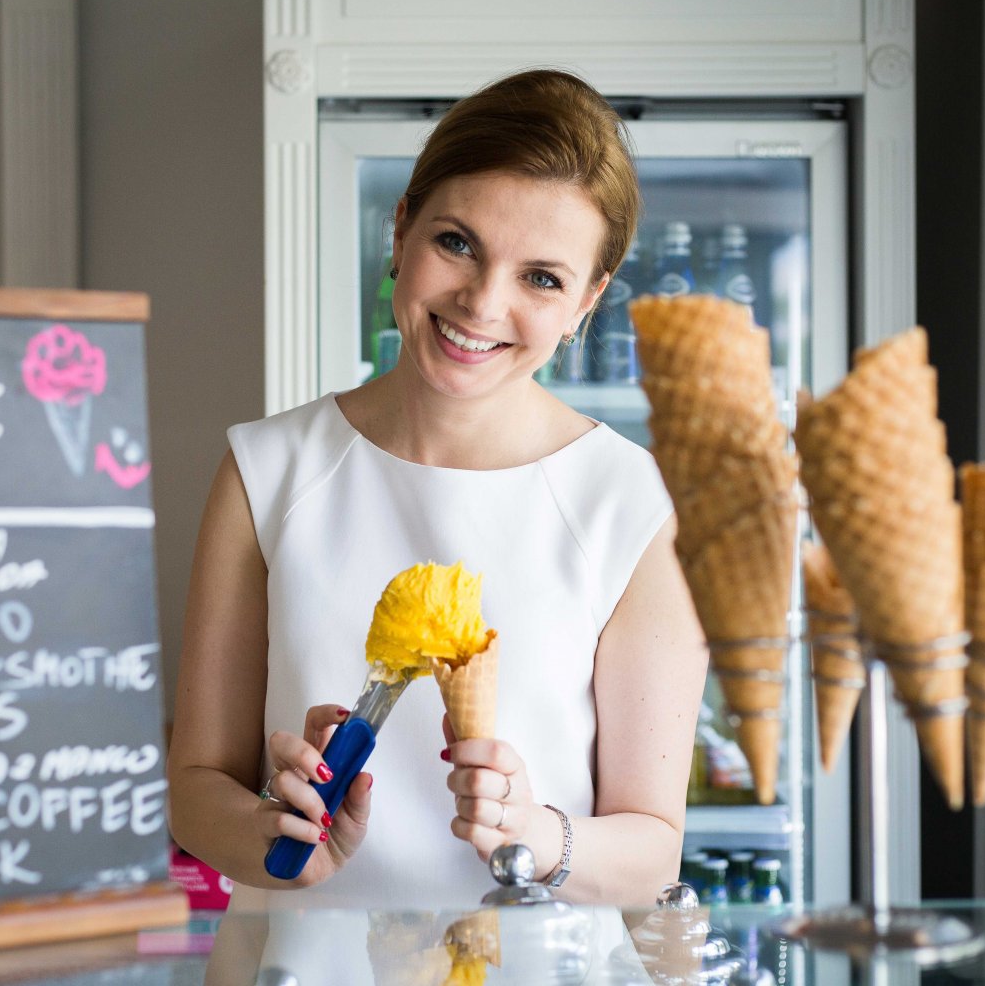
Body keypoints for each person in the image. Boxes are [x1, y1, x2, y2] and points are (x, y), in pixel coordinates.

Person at [167, 69, 706, 915]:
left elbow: (652, 847)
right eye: (457, 243)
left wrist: (535, 832)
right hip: (297, 969)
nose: (483, 303)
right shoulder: (265, 471)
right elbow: (198, 788)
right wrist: (276, 836)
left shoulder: (630, 504)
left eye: (542, 278)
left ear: (586, 303)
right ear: (402, 229)